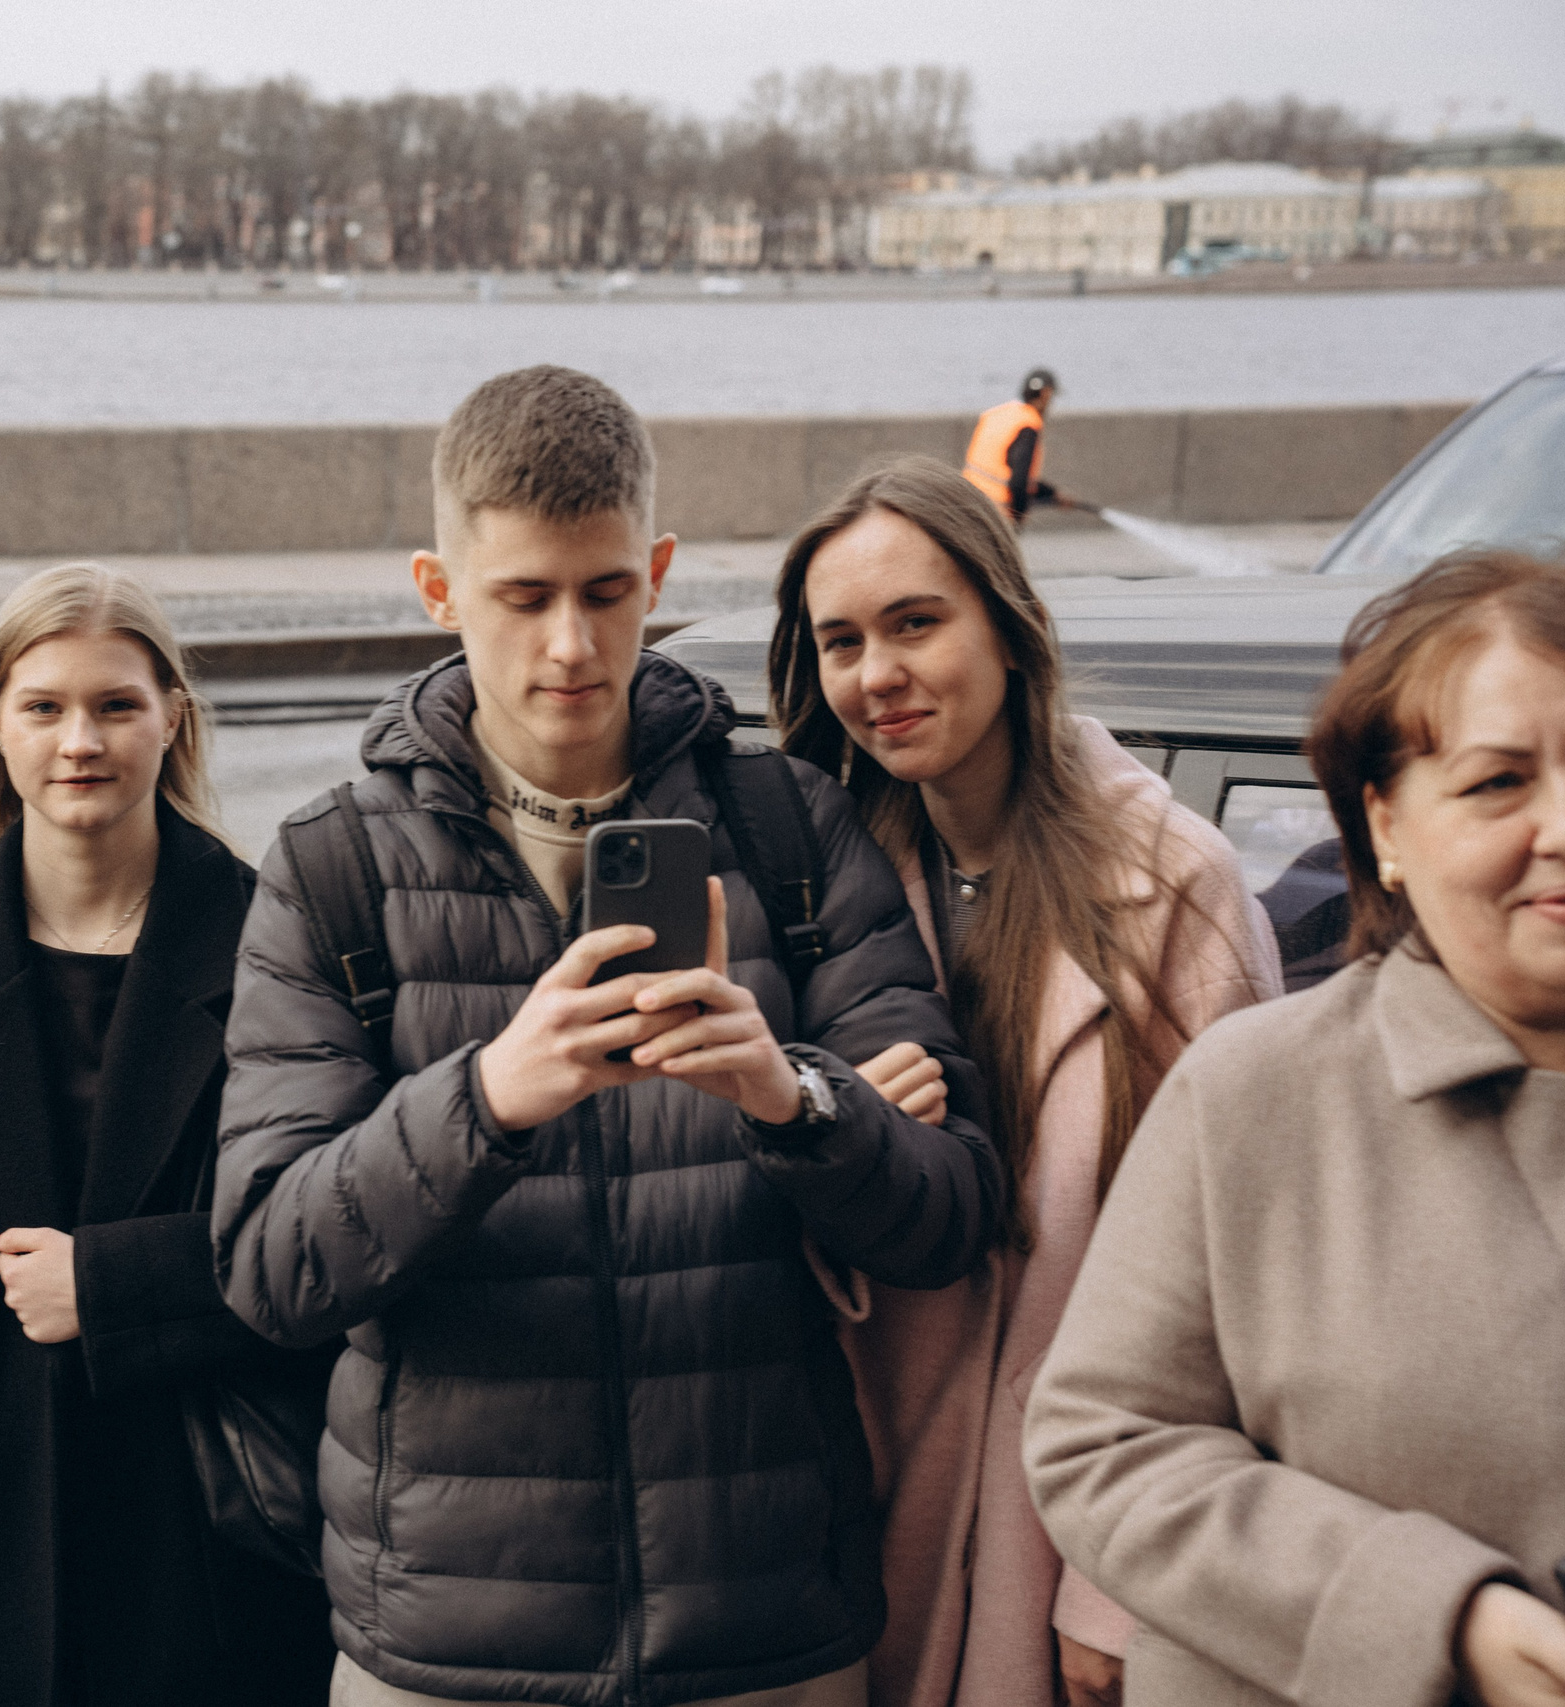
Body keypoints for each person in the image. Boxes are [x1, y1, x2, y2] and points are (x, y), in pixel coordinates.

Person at [212, 365, 1005, 1707]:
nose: (571, 646)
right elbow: (267, 1263)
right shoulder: (332, 866)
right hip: (450, 1643)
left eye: (606, 591)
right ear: (439, 587)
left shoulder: (789, 826)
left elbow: (951, 1211)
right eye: (523, 597)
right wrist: (486, 1100)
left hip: (765, 1626)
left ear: (659, 571)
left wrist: (791, 1097)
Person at [764, 456, 1281, 1707]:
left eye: (915, 623)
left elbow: (1241, 1276)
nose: (875, 675)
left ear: (1010, 626)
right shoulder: (829, 885)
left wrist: (1120, 1586)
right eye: (840, 642)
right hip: (869, 1491)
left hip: (1069, 1515)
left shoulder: (1172, 888)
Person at [1024, 550, 1565, 1707]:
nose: (1564, 827)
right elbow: (1099, 1447)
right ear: (1383, 824)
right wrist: (1433, 1615)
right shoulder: (1259, 1094)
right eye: (1496, 783)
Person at [0, 564, 335, 1707]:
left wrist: (114, 1283)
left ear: (172, 719)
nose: (78, 740)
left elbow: (341, 1230)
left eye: (115, 705)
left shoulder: (280, 952)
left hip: (214, 1536)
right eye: (43, 706)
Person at [961, 369, 1060, 527]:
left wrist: (1052, 494)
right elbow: (1019, 482)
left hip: (968, 501)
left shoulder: (997, 415)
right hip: (996, 513)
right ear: (1045, 394)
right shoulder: (1028, 426)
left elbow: (999, 470)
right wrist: (1018, 518)